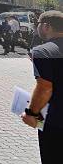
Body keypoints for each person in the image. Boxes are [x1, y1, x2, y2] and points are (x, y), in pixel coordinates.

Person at [21, 10, 63, 164]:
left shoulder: (42, 50)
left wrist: (31, 113)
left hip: (56, 123)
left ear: (46, 26)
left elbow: (45, 87)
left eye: (37, 24)